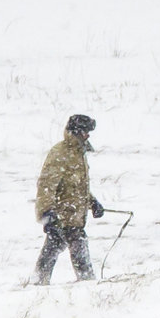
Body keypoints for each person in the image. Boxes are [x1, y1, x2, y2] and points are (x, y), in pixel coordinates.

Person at [33, 113, 104, 284]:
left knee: (76, 249)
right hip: (60, 217)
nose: (88, 136)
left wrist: (92, 202)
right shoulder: (60, 154)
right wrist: (47, 215)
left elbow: (78, 186)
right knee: (53, 248)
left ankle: (86, 284)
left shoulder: (79, 153)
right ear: (76, 132)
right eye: (85, 132)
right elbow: (46, 186)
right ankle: (38, 284)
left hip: (75, 217)